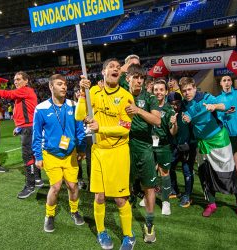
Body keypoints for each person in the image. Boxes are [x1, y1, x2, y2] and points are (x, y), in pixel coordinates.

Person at [76, 58, 136, 250]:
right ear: (103, 72)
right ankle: (101, 231)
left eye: (118, 67)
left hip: (118, 152)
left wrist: (100, 127)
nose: (116, 69)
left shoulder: (126, 96)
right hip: (98, 151)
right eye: (111, 66)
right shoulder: (93, 91)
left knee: (120, 199)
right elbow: (79, 115)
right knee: (99, 197)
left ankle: (129, 236)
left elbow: (125, 128)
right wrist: (82, 96)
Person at [180, 77, 237, 217]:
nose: (187, 93)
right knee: (205, 174)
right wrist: (187, 119)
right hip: (202, 143)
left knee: (229, 173)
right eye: (184, 91)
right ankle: (211, 204)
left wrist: (214, 106)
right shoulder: (184, 104)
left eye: (189, 89)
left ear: (194, 87)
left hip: (219, 141)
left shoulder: (206, 97)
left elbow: (226, 105)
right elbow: (189, 116)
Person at [32, 74, 86, 233]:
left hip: (70, 154)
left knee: (72, 185)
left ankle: (74, 211)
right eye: (59, 84)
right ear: (51, 87)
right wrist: (38, 156)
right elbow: (37, 135)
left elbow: (79, 130)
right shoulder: (40, 109)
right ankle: (49, 215)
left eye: (65, 84)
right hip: (51, 154)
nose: (64, 87)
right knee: (55, 187)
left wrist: (82, 149)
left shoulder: (74, 105)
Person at [0, 71, 43, 198]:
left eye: (18, 79)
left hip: (28, 129)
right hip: (27, 127)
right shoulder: (23, 93)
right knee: (33, 154)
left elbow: (6, 93)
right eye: (15, 79)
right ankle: (37, 179)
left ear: (26, 81)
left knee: (28, 157)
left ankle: (30, 186)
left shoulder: (25, 90)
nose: (16, 81)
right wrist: (18, 127)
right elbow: (24, 111)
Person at [125, 64, 161, 243]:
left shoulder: (149, 97)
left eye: (142, 78)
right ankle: (126, 217)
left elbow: (157, 120)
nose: (139, 81)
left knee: (149, 187)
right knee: (125, 185)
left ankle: (149, 223)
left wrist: (138, 110)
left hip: (145, 148)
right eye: (136, 77)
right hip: (124, 147)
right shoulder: (121, 93)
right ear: (128, 78)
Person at [150, 79, 177, 215]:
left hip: (163, 146)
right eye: (156, 90)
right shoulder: (148, 107)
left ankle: (165, 201)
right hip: (149, 145)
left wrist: (174, 124)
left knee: (164, 173)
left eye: (161, 90)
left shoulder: (169, 109)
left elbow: (173, 132)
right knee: (150, 171)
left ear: (166, 92)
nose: (158, 92)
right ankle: (148, 196)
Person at [168, 86, 198, 208]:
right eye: (172, 104)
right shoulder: (170, 112)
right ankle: (175, 190)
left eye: (177, 103)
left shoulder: (187, 110)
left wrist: (190, 120)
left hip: (188, 146)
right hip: (175, 146)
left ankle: (187, 195)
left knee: (187, 171)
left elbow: (196, 125)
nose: (175, 106)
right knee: (170, 167)